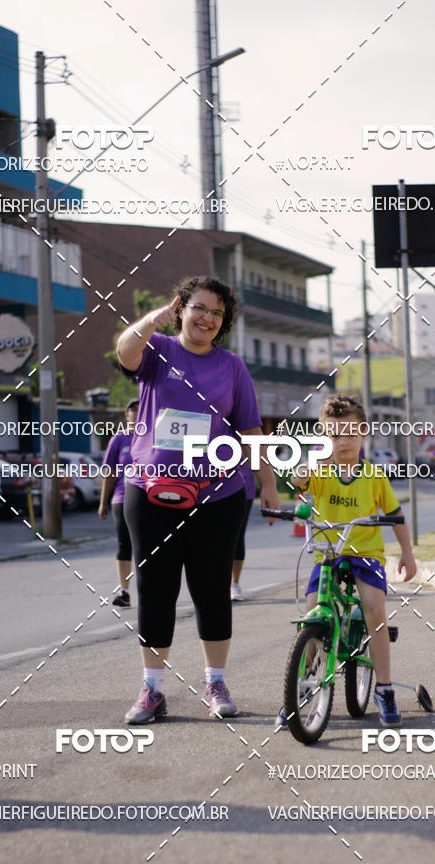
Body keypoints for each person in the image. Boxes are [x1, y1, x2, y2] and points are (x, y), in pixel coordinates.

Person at [116, 275, 280, 724]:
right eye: (200, 308)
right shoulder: (159, 351)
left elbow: (250, 429)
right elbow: (124, 353)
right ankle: (152, 691)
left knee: (211, 590)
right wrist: (152, 320)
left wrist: (268, 484)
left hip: (218, 496)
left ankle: (216, 682)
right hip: (151, 491)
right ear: (181, 307)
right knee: (155, 591)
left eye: (217, 313)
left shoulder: (232, 366)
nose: (208, 318)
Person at [276, 394, 416, 728]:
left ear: (363, 433)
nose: (343, 441)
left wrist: (407, 554)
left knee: (374, 610)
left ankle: (384, 689)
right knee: (311, 614)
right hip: (328, 553)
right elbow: (298, 479)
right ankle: (300, 690)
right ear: (325, 437)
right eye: (335, 435)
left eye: (351, 433)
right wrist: (300, 472)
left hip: (365, 554)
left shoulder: (374, 476)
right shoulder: (321, 472)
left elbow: (396, 517)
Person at [98, 398, 139, 607]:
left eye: (141, 409)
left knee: (146, 545)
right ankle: (124, 591)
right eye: (133, 409)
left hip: (147, 497)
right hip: (122, 497)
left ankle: (149, 589)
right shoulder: (119, 439)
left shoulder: (153, 437)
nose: (137, 412)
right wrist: (103, 502)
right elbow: (109, 473)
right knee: (125, 543)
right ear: (126, 414)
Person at [231, 463, 255, 602]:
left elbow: (258, 453)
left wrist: (268, 485)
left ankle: (234, 584)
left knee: (237, 536)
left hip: (243, 486)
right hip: (209, 486)